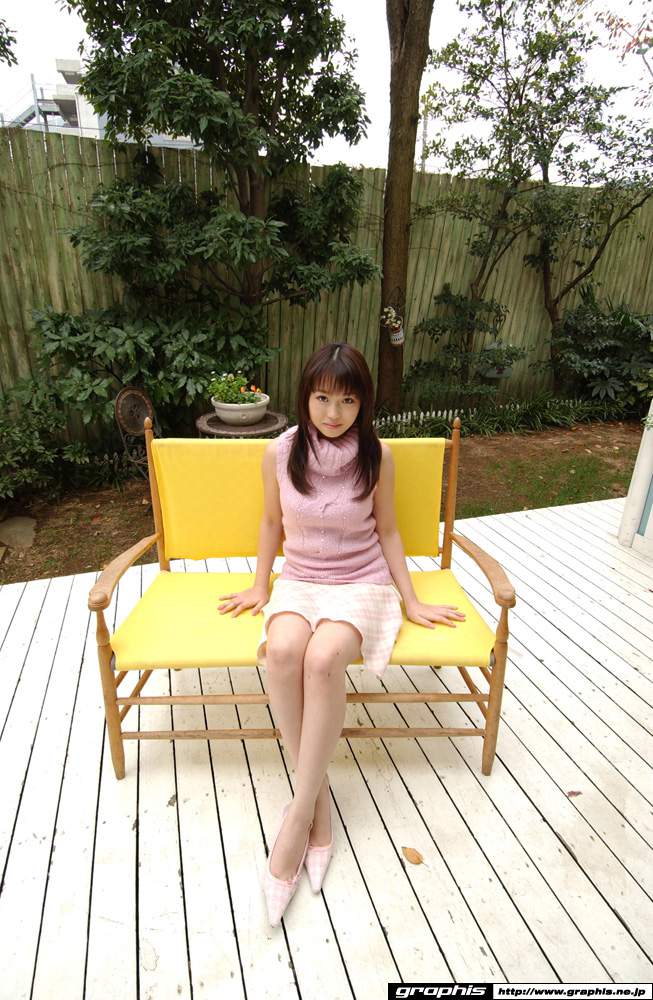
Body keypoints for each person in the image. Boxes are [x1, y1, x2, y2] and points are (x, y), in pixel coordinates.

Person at [216, 341, 465, 925]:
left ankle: (296, 820)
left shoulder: (377, 455)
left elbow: (390, 532)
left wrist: (411, 598)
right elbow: (271, 522)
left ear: (364, 403)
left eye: (348, 401)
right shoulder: (280, 452)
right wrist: (260, 584)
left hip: (362, 582)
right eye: (323, 398)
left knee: (323, 659)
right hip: (302, 578)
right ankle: (318, 805)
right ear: (305, 396)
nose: (333, 413)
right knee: (283, 651)